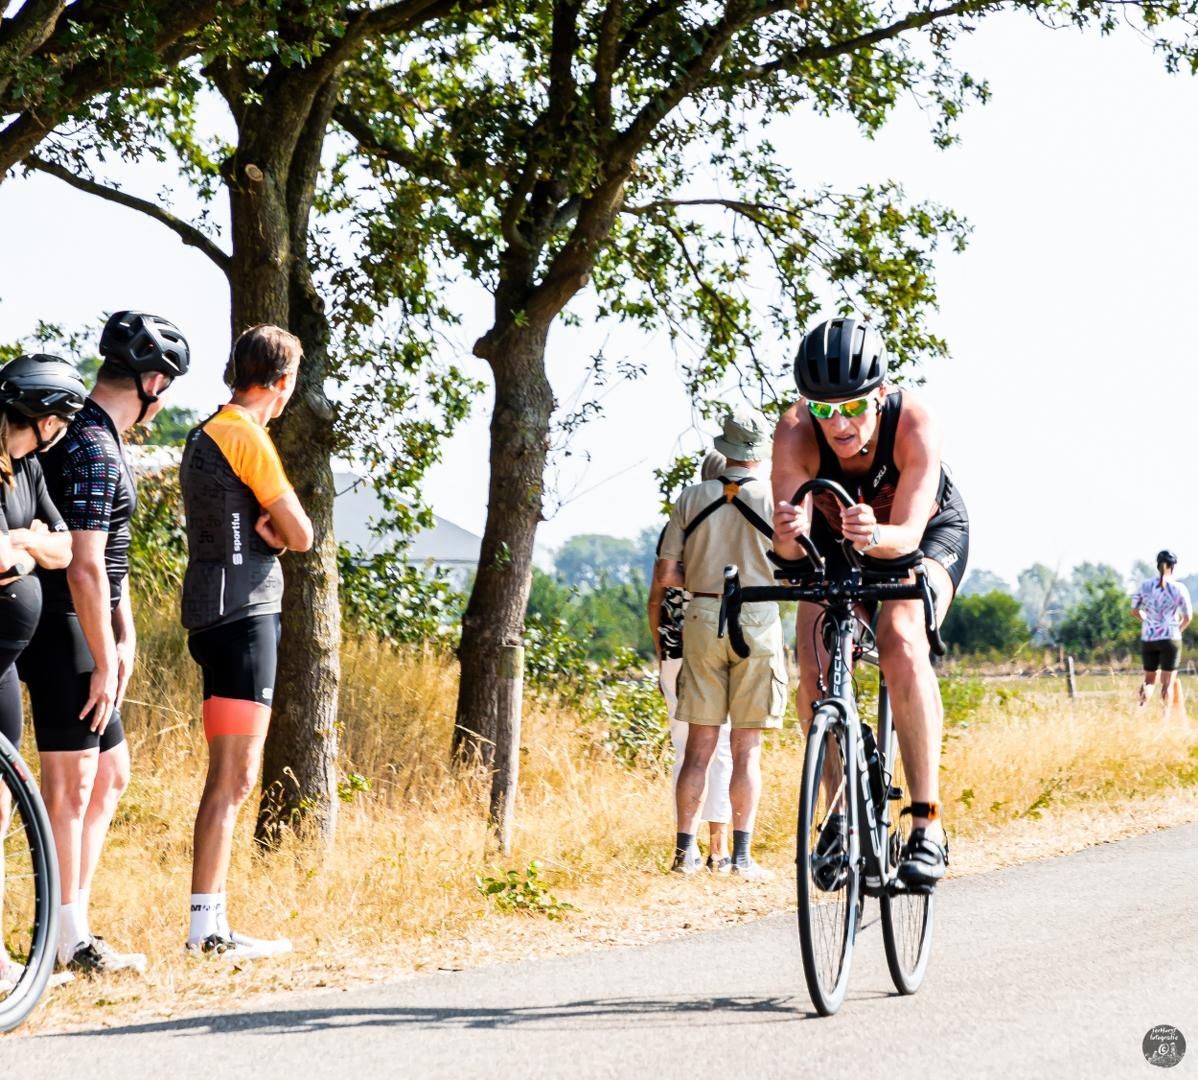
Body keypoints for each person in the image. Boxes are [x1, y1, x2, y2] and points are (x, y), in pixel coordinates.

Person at [20, 310, 190, 975]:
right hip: (63, 624)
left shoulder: (97, 435)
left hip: (87, 624)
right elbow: (87, 563)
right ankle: (67, 939)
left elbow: (109, 562)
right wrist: (103, 651)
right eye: (167, 385)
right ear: (151, 380)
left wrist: (125, 636)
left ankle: (72, 922)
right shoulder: (90, 444)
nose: (164, 398)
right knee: (71, 783)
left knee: (109, 774)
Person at [772, 317, 969, 890]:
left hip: (921, 533)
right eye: (823, 409)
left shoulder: (914, 422)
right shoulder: (794, 430)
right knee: (812, 645)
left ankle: (927, 822)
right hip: (838, 539)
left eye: (853, 406)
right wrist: (786, 531)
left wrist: (876, 535)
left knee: (901, 639)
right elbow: (790, 551)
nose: (839, 422)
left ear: (880, 394)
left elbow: (906, 531)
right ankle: (837, 814)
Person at [180, 324, 313, 959]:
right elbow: (302, 531)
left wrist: (270, 528)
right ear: (281, 383)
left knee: (226, 776)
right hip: (245, 614)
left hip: (211, 611)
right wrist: (281, 530)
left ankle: (208, 922)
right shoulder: (247, 436)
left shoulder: (203, 432)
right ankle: (207, 929)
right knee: (234, 778)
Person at [653, 409, 786, 881]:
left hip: (701, 614)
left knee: (698, 749)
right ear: (759, 452)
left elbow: (667, 575)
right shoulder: (777, 499)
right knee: (746, 749)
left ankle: (684, 853)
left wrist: (708, 579)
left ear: (725, 448)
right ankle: (742, 857)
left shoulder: (691, 497)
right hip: (758, 614)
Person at [0, 354, 84, 988]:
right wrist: (29, 546)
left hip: (5, 664)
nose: (57, 432)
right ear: (37, 416)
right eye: (55, 420)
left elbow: (65, 549)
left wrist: (27, 543)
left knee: (2, 801)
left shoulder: (29, 466)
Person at [649, 449, 734, 873]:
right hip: (725, 640)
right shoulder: (739, 522)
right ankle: (720, 848)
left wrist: (660, 650)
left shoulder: (680, 520)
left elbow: (657, 594)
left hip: (676, 646)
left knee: (686, 748)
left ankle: (687, 849)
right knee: (723, 749)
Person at [1131, 551, 1192, 709]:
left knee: (1149, 681)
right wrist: (1177, 630)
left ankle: (1139, 710)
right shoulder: (1179, 588)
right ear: (1173, 567)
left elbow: (1134, 610)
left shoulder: (1145, 586)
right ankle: (1164, 721)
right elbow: (1188, 617)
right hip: (1170, 637)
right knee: (1167, 683)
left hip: (1149, 638)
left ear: (1157, 565)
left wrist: (1147, 621)